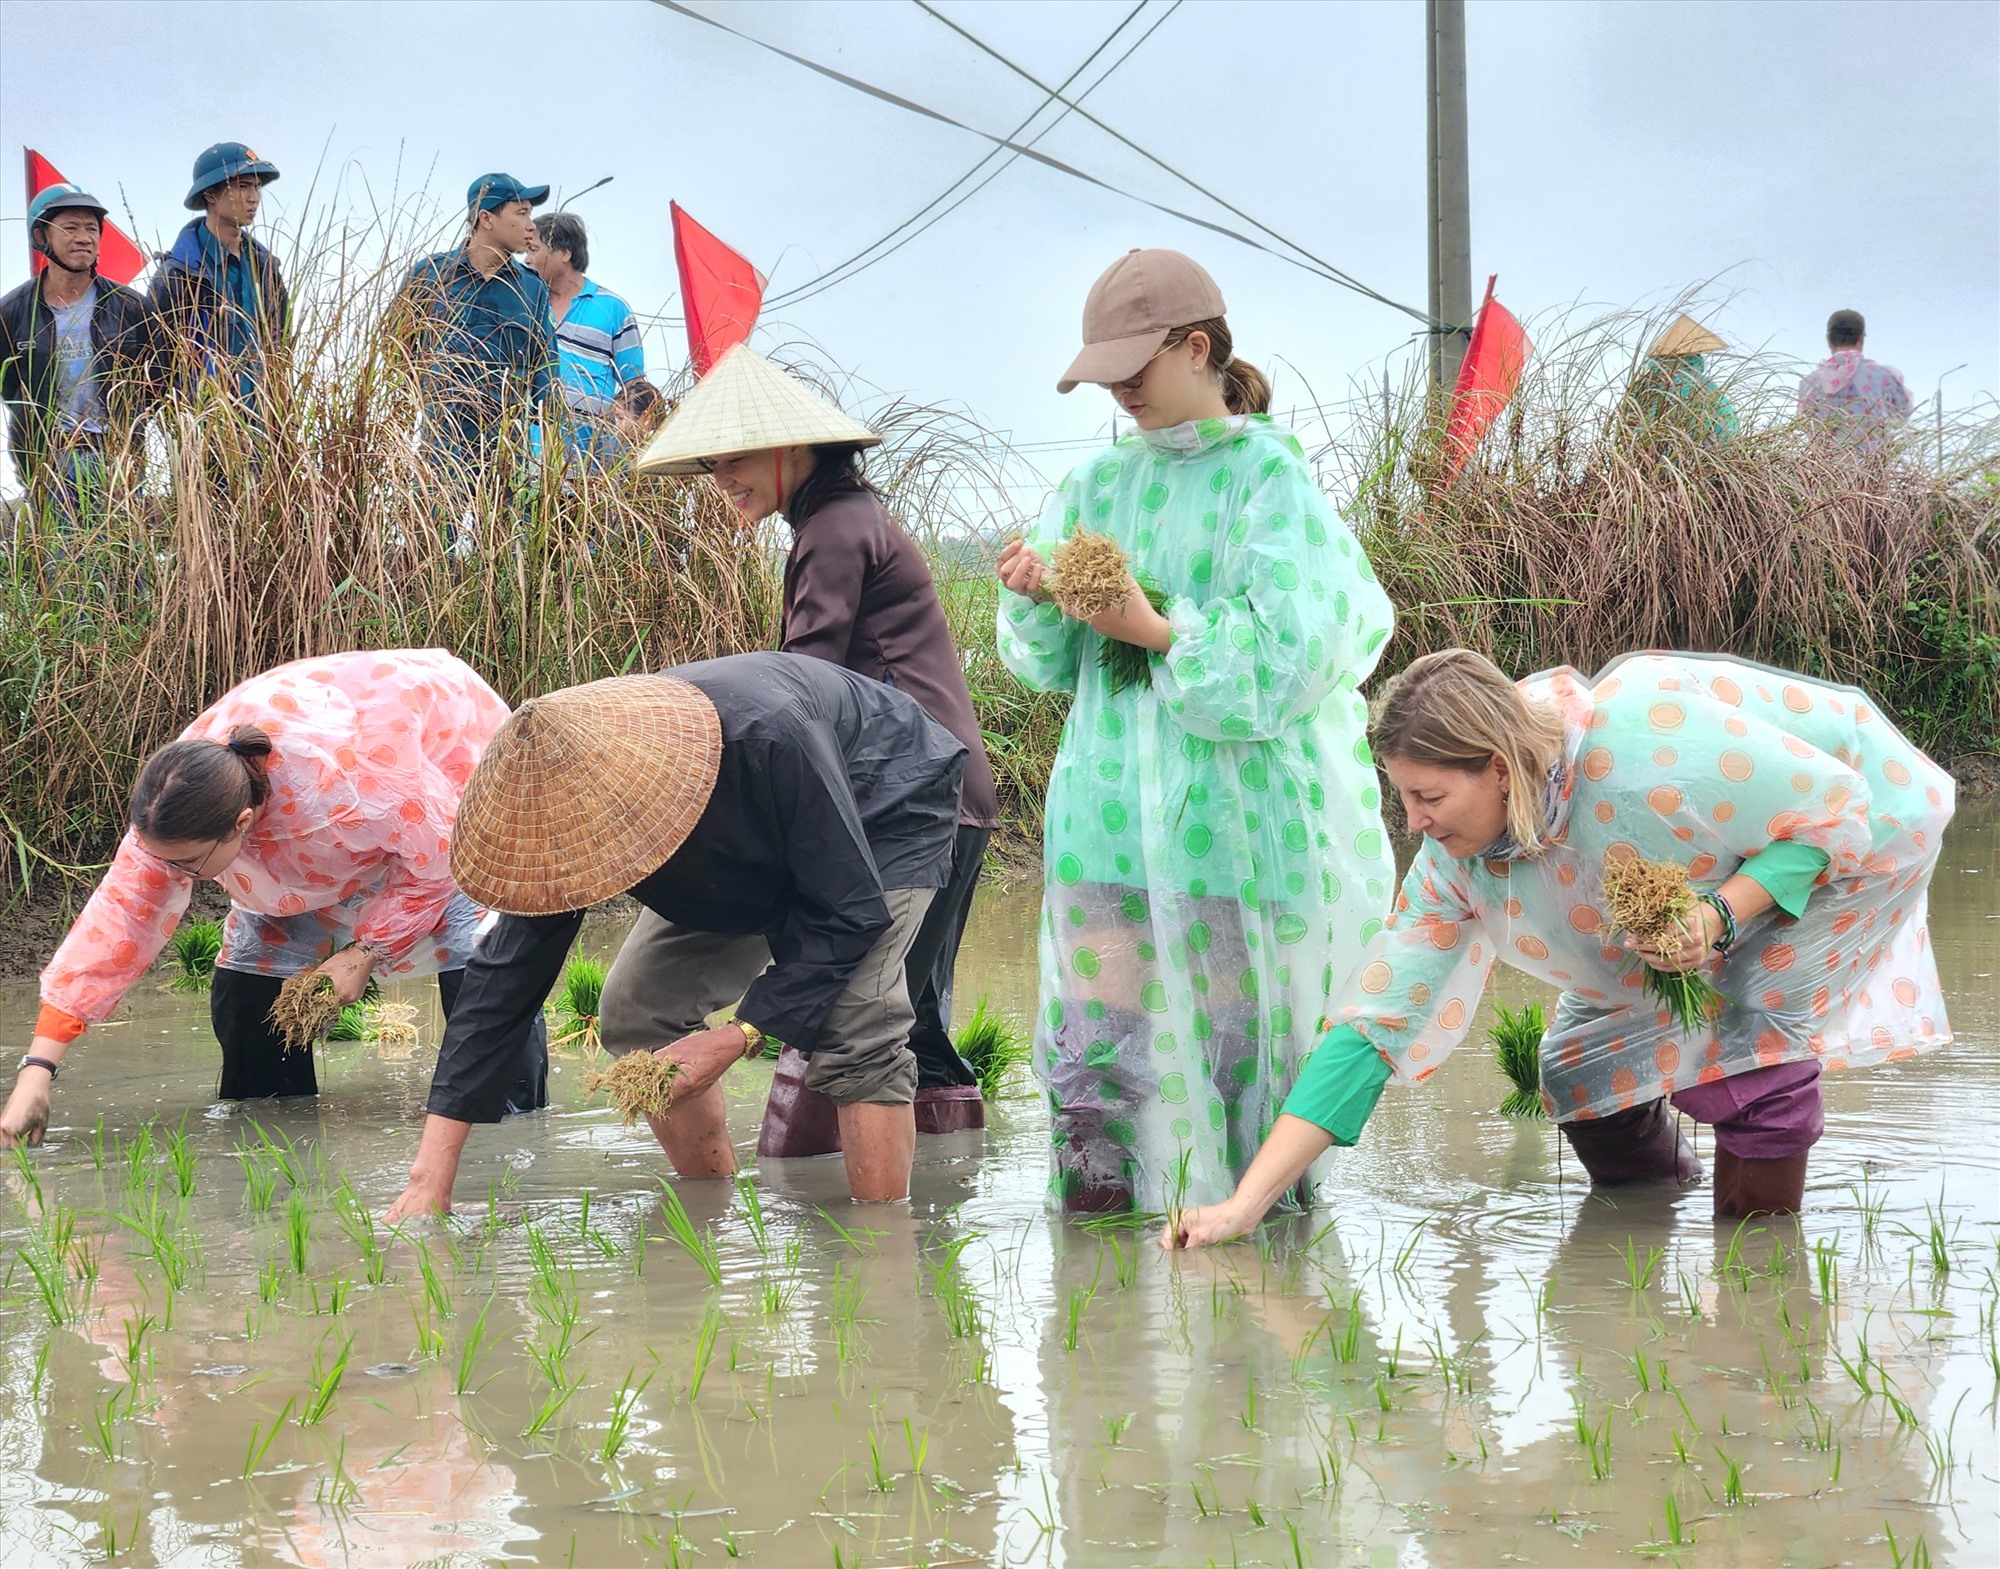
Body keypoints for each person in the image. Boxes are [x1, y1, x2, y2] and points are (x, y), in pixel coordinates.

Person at [1165, 648, 1955, 1247]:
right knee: (1578, 1068)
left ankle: (1756, 1282)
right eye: (1402, 795)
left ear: (1501, 771)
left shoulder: (1643, 758)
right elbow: (1373, 1024)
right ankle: (1656, 1218)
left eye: (1429, 796)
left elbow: (1824, 822)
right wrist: (1245, 1206)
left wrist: (1715, 916)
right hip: (1696, 869)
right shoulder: (1456, 863)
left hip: (1857, 825)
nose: (1413, 823)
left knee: (1744, 1046)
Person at [996, 248, 1396, 1216]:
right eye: (1107, 374)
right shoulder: (1093, 485)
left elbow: (1309, 648)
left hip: (1236, 824)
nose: (1119, 389)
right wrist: (1038, 594)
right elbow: (1045, 663)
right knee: (1098, 1038)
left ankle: (1257, 1255)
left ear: (1197, 348)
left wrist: (1159, 630)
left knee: (1237, 1046)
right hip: (1102, 810)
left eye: (1136, 366)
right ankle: (1093, 1281)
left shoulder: (1269, 480)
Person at [381, 653, 966, 1221]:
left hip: (882, 800)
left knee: (856, 1024)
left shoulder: (766, 739)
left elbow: (848, 911)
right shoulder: (566, 807)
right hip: (737, 842)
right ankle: (711, 1209)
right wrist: (429, 1179)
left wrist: (739, 1035)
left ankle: (883, 1253)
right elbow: (500, 984)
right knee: (637, 1012)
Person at [636, 343, 1003, 1142]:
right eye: (709, 464)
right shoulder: (840, 518)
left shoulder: (835, 529)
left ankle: (907, 1231)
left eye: (733, 458)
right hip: (934, 789)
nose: (721, 478)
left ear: (790, 447)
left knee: (875, 1025)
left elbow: (805, 684)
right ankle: (936, 1220)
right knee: (910, 1022)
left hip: (915, 795)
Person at [0, 650, 547, 1148]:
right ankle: (276, 1146)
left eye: (187, 865)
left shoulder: (363, 787)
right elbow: (119, 921)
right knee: (248, 989)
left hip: (449, 806)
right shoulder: (179, 803)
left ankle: (511, 1135)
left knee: (483, 968)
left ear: (241, 824)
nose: (170, 876)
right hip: (322, 842)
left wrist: (364, 954)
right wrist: (37, 1071)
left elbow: (438, 861)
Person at [0, 184, 160, 524]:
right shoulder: (13, 312)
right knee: (64, 568)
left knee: (127, 566)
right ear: (42, 236)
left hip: (117, 460)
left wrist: (132, 431)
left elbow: (157, 378)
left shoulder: (131, 307)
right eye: (70, 228)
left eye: (91, 228)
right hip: (49, 463)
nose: (84, 237)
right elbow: (9, 387)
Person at [396, 173, 556, 487]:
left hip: (506, 455)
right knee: (430, 535)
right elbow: (396, 350)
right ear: (486, 218)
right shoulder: (429, 274)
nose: (531, 226)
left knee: (507, 536)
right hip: (440, 448)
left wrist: (547, 453)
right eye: (521, 213)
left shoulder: (532, 289)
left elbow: (546, 376)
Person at [150, 142, 288, 420]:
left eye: (257, 187)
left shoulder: (266, 267)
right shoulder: (177, 275)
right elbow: (161, 366)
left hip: (267, 422)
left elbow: (281, 345)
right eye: (242, 186)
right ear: (211, 194)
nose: (254, 198)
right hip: (205, 427)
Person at [526, 211, 646, 462]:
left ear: (565, 253)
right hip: (528, 457)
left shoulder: (613, 309)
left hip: (588, 460)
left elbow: (633, 383)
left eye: (534, 250)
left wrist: (626, 433)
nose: (527, 260)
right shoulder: (525, 303)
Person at [1798, 309, 1912, 445]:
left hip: (1822, 464)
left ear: (1829, 340)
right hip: (1871, 463)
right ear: (1861, 338)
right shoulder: (1883, 376)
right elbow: (1903, 412)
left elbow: (1804, 423)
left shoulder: (1809, 383)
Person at [1630, 313, 1740, 442]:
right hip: (1700, 455)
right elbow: (1729, 426)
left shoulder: (1644, 384)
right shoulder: (1704, 385)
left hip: (1645, 455)